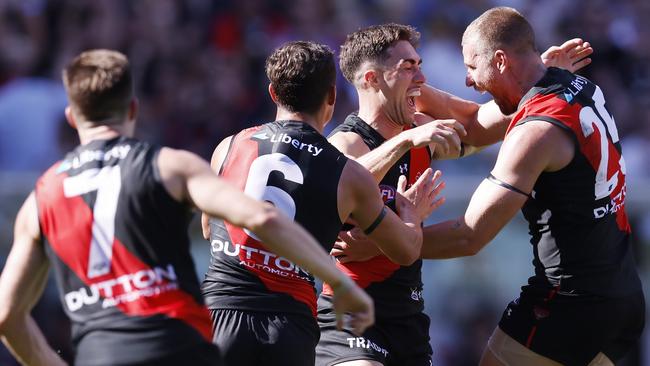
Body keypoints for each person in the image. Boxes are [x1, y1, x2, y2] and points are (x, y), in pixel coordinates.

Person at [0, 49, 374, 365]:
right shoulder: (169, 166)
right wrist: (339, 281)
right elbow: (259, 215)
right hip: (175, 345)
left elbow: (6, 317)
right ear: (133, 109)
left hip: (99, 352)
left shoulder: (42, 195)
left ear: (71, 117)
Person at [317, 23, 595, 366]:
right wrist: (405, 141)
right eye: (408, 68)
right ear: (372, 79)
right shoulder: (347, 143)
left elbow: (480, 124)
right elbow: (334, 185)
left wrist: (536, 81)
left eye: (419, 65)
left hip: (408, 320)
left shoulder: (421, 130)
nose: (421, 77)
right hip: (351, 321)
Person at [421, 7, 645, 366]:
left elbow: (469, 235)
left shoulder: (535, 133)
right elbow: (476, 124)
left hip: (569, 303)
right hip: (622, 296)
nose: (468, 81)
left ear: (500, 60)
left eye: (471, 67)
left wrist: (385, 241)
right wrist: (411, 87)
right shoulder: (579, 84)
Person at [199, 41, 445, 366]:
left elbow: (207, 229)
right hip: (288, 328)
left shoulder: (230, 146)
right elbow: (406, 250)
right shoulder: (345, 173)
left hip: (220, 314)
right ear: (332, 97)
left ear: (273, 93)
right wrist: (412, 215)